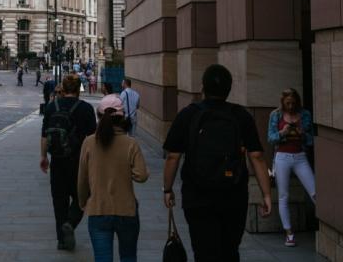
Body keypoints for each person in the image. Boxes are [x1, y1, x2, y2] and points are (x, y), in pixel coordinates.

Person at [163, 64, 271, 262]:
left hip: (197, 196)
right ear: (229, 90)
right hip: (234, 195)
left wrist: (167, 189)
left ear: (202, 87)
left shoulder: (188, 115)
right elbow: (256, 156)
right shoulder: (241, 116)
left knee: (204, 251)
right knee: (230, 251)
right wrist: (266, 194)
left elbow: (173, 157)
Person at [78, 95, 149, 262]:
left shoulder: (88, 143)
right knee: (128, 256)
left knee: (103, 259)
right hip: (127, 210)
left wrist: (83, 203)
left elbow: (82, 179)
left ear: (99, 116)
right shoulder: (131, 143)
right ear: (122, 117)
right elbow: (142, 175)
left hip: (98, 210)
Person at [40, 75, 97, 251]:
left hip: (57, 160)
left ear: (63, 89)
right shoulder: (86, 108)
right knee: (82, 197)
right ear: (79, 88)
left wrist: (44, 157)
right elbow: (92, 138)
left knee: (59, 200)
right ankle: (70, 223)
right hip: (79, 162)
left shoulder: (52, 107)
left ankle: (62, 240)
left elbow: (44, 135)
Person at [267, 88, 315, 247]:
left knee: (315, 192)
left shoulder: (305, 114)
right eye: (287, 103)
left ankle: (324, 224)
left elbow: (311, 140)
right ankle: (289, 233)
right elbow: (270, 138)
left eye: (293, 103)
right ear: (282, 102)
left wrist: (303, 134)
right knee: (283, 196)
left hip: (300, 156)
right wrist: (282, 132)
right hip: (282, 157)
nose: (291, 106)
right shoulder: (276, 115)